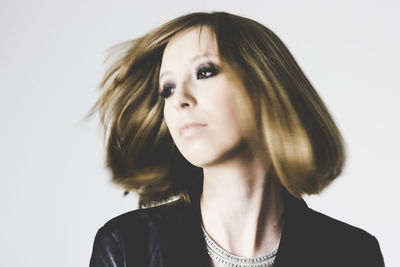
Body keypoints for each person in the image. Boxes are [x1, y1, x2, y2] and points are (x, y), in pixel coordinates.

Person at [88, 11, 385, 267]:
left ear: (264, 87)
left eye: (205, 72)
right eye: (167, 89)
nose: (179, 98)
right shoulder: (126, 248)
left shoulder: (353, 254)